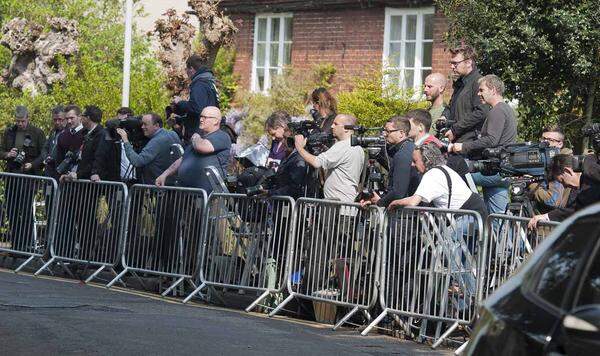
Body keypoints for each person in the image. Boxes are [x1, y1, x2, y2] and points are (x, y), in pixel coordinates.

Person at [450, 74, 517, 214]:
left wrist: (463, 146)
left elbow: (491, 140)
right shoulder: (506, 109)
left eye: (481, 90)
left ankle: (462, 221)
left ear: (493, 90)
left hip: (495, 169)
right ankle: (502, 236)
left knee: (454, 176)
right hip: (503, 169)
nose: (478, 93)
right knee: (499, 217)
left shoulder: (497, 110)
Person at [156, 106, 231, 193]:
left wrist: (195, 137)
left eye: (205, 117)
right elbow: (182, 159)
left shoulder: (221, 136)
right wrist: (164, 175)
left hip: (208, 197)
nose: (201, 120)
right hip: (186, 195)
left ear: (216, 121)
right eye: (201, 116)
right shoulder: (198, 139)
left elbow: (202, 147)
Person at [294, 114, 364, 203]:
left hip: (337, 206)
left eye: (336, 124)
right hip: (347, 204)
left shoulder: (342, 146)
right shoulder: (358, 147)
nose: (332, 126)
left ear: (346, 129)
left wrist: (299, 147)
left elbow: (317, 162)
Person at [361, 115, 419, 208]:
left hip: (403, 215)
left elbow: (398, 192)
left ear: (401, 133)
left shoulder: (402, 154)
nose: (384, 134)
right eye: (384, 131)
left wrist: (380, 202)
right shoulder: (410, 148)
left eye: (388, 131)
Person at [529, 154, 600, 228]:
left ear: (567, 171)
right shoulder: (583, 188)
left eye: (562, 181)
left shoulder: (593, 177)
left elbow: (578, 209)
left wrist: (547, 216)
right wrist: (547, 216)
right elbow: (575, 209)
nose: (564, 186)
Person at [117, 113, 181, 185]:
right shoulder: (173, 134)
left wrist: (125, 140)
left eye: (145, 124)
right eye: (141, 124)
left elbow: (137, 161)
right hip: (173, 184)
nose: (142, 127)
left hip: (158, 186)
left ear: (156, 125)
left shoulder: (156, 141)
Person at [445, 43, 490, 143]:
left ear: (468, 62)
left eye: (455, 63)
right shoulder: (460, 82)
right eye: (451, 63)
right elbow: (451, 107)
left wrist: (455, 129)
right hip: (456, 141)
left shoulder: (479, 82)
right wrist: (444, 116)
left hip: (469, 143)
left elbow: (481, 112)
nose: (452, 66)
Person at [172, 54, 219, 143]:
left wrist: (180, 102)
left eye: (186, 69)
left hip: (199, 133)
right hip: (210, 129)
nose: (186, 72)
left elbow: (197, 108)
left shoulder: (199, 84)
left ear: (191, 69)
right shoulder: (208, 81)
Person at [529, 124, 573, 213]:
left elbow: (552, 200)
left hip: (552, 223)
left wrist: (530, 183)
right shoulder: (542, 159)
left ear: (560, 144)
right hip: (540, 218)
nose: (544, 143)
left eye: (549, 140)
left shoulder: (561, 163)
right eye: (543, 139)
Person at [263, 111, 307, 199]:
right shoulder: (277, 145)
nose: (273, 138)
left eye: (274, 134)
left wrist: (272, 193)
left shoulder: (298, 157)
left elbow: (294, 186)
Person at [93, 107, 137, 183]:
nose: (122, 124)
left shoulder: (137, 135)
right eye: (119, 121)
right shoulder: (111, 135)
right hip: (117, 182)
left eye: (125, 121)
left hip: (135, 182)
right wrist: (96, 172)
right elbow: (101, 154)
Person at [60, 105, 104, 182]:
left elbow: (97, 159)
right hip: (77, 179)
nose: (81, 118)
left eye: (82, 116)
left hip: (91, 182)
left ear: (88, 118)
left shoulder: (101, 135)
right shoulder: (86, 133)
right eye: (67, 119)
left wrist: (79, 174)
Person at [0, 105, 46, 175]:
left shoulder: (37, 133)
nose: (20, 124)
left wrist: (32, 164)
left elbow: (44, 154)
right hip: (12, 173)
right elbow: (1, 151)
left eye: (23, 121)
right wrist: (8, 154)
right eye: (18, 121)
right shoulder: (9, 132)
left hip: (30, 176)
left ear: (28, 118)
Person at [55, 105, 86, 177]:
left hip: (82, 179)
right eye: (67, 118)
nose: (69, 121)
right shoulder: (62, 136)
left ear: (80, 117)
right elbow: (59, 159)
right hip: (64, 179)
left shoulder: (87, 134)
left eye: (72, 118)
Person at [41, 105, 67, 179]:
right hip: (49, 172)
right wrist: (46, 157)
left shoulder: (69, 133)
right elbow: (45, 148)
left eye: (60, 119)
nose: (57, 122)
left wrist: (54, 159)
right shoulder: (53, 132)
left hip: (61, 173)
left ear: (65, 119)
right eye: (55, 120)